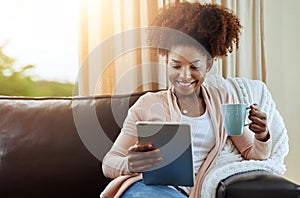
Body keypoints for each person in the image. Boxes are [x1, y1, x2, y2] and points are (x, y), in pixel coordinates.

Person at [100, 2, 271, 198]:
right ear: (167, 62)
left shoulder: (224, 101)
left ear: (208, 65)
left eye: (194, 67)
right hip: (143, 189)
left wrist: (262, 135)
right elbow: (109, 163)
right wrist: (130, 164)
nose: (184, 75)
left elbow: (253, 154)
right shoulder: (147, 104)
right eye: (176, 66)